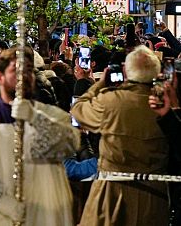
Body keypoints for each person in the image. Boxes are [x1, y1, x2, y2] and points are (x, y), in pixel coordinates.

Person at [0, 48, 79, 225]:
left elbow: (67, 146)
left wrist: (35, 118)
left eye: (28, 71)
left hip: (41, 213)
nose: (23, 76)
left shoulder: (52, 117)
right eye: (15, 71)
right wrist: (4, 205)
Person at [71, 45, 170, 226]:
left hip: (111, 194)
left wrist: (98, 85)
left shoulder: (112, 101)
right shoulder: (168, 106)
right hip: (154, 197)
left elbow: (78, 111)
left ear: (125, 70)